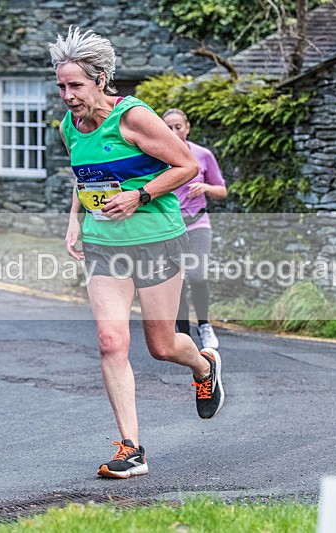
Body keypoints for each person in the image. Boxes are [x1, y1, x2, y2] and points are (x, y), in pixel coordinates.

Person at [50, 27, 225, 479]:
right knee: (111, 341)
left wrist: (140, 195)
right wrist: (75, 219)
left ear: (101, 78)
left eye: (76, 86)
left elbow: (186, 165)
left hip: (156, 239)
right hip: (104, 244)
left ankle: (203, 364)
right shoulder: (71, 126)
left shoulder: (134, 118)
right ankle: (132, 448)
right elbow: (83, 176)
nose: (68, 96)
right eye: (62, 87)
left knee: (162, 346)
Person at [162, 109, 227, 350]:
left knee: (197, 276)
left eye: (178, 127)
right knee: (176, 281)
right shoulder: (156, 157)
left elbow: (222, 190)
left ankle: (204, 325)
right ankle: (184, 334)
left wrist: (205, 187)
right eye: (168, 127)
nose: (173, 132)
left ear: (187, 127)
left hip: (198, 223)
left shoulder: (203, 155)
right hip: (170, 228)